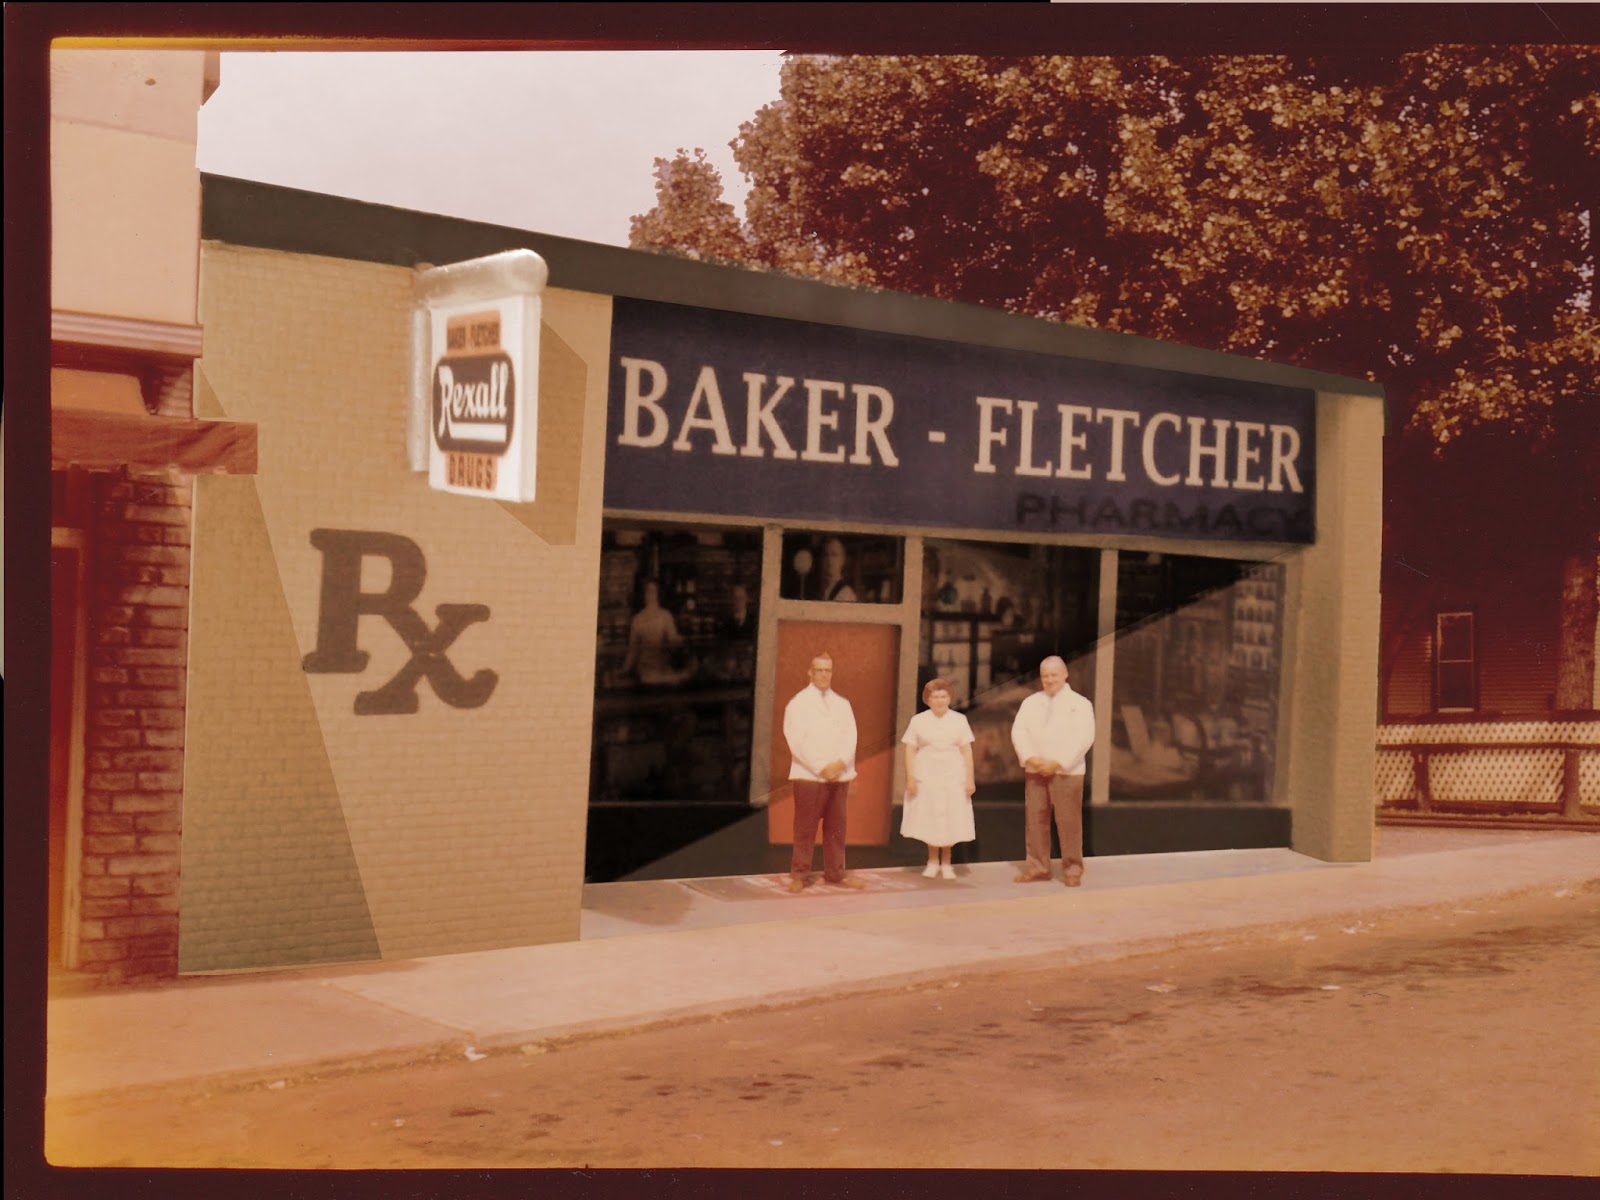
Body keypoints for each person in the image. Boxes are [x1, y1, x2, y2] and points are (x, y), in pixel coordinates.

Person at [781, 652, 866, 892]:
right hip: (809, 775)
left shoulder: (842, 704)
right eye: (819, 670)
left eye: (828, 670)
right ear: (810, 672)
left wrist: (840, 763)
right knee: (805, 827)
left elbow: (850, 737)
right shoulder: (798, 703)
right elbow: (797, 740)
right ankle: (799, 875)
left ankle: (836, 873)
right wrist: (821, 766)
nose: (823, 675)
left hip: (839, 775)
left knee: (836, 828)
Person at [1010, 655, 1097, 886]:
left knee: (1068, 821)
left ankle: (1072, 869)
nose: (1049, 680)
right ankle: (1038, 868)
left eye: (1054, 675)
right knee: (1035, 820)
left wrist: (1057, 763)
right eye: (1045, 676)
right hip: (1036, 769)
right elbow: (1019, 731)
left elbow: (1084, 738)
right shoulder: (1030, 702)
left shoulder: (1081, 704)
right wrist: (1031, 758)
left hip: (1067, 771)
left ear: (1065, 674)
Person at [900, 677, 976, 879]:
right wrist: (910, 778)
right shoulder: (918, 721)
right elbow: (910, 750)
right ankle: (932, 861)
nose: (940, 701)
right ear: (928, 699)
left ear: (949, 697)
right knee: (931, 817)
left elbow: (966, 750)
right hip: (927, 774)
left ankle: (947, 863)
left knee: (950, 816)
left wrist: (969, 779)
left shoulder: (959, 720)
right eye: (935, 697)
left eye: (943, 696)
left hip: (953, 775)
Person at [619, 579, 684, 683]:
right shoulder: (638, 619)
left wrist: (678, 641)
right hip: (646, 672)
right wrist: (624, 671)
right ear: (644, 594)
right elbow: (633, 651)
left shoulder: (665, 616)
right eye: (648, 591)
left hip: (664, 668)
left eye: (653, 591)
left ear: (658, 594)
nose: (651, 595)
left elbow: (673, 640)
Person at [818, 536, 858, 602]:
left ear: (842, 559)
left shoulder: (846, 594)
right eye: (826, 555)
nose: (829, 560)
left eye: (834, 555)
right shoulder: (824, 590)